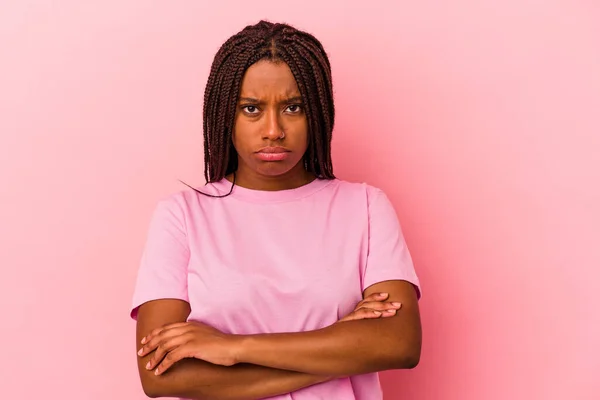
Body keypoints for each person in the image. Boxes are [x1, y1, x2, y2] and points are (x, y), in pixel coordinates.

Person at [130, 20, 422, 400]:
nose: (273, 130)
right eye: (251, 108)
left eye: (293, 107)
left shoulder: (365, 207)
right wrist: (341, 347)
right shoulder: (182, 216)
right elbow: (161, 376)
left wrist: (234, 348)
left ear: (316, 112)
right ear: (224, 115)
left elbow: (399, 344)